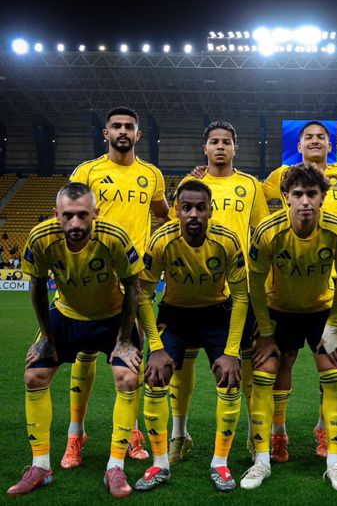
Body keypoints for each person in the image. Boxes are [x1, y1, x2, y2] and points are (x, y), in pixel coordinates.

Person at [7, 183, 143, 498]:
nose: (76, 223)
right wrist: (47, 337)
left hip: (111, 316)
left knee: (127, 378)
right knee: (34, 376)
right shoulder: (41, 238)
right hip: (67, 314)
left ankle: (115, 466)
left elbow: (133, 286)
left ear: (96, 213)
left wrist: (124, 339)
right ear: (56, 214)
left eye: (83, 215)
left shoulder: (114, 237)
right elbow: (37, 287)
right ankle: (40, 466)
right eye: (68, 216)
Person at [64, 106, 169, 465]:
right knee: (84, 352)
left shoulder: (152, 174)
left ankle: (132, 431)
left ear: (139, 134)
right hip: (92, 275)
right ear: (105, 133)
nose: (123, 131)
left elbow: (163, 213)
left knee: (131, 357)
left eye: (129, 126)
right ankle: (76, 433)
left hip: (134, 279)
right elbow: (70, 219)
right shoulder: (88, 171)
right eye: (116, 126)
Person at [245, 164, 337, 491]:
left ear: (323, 197)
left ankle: (335, 462)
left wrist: (333, 325)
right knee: (264, 376)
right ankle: (263, 457)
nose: (305, 201)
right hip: (278, 311)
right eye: (297, 194)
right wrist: (266, 332)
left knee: (332, 377)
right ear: (285, 197)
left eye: (311, 194)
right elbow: (254, 284)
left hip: (321, 312)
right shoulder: (268, 231)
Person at [134, 180, 249, 492]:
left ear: (211, 210)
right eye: (187, 208)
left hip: (216, 313)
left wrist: (231, 351)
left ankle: (220, 463)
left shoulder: (227, 240)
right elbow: (142, 295)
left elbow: (241, 297)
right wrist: (155, 347)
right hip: (175, 315)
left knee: (229, 378)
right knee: (155, 377)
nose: (194, 214)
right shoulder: (162, 240)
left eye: (200, 207)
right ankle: (160, 464)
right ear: (176, 211)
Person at [166, 121, 269, 464]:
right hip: (193, 290)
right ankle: (179, 435)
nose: (220, 146)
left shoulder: (250, 185)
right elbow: (174, 231)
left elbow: (262, 233)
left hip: (239, 290)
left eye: (226, 141)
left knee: (245, 367)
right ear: (205, 148)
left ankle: (254, 437)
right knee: (182, 366)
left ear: (235, 148)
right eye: (214, 141)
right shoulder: (191, 185)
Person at [262, 121, 337, 460]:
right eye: (308, 137)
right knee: (282, 361)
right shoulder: (278, 176)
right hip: (284, 291)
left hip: (326, 289)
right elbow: (254, 197)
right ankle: (278, 433)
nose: (315, 141)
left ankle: (323, 428)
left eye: (321, 137)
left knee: (328, 366)